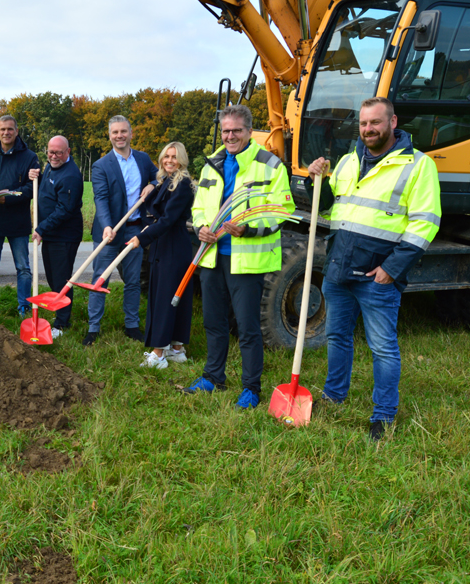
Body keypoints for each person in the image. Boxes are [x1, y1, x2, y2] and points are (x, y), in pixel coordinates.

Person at [306, 97, 441, 441]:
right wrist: (314, 179)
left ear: (393, 122)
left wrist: (391, 269)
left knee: (382, 347)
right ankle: (334, 395)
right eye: (364, 124)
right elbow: (327, 204)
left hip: (376, 276)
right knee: (337, 337)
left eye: (375, 123)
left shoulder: (418, 165)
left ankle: (383, 414)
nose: (368, 129)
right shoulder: (350, 161)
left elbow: (426, 223)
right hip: (339, 269)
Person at [188, 104, 295, 408]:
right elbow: (198, 207)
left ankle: (251, 388)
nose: (230, 136)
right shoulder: (212, 165)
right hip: (212, 256)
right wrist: (201, 227)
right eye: (225, 131)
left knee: (247, 328)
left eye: (236, 130)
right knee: (213, 322)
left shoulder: (271, 165)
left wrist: (248, 229)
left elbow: (281, 211)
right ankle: (212, 377)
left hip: (247, 259)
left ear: (249, 131)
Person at [83, 115, 157, 346]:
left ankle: (132, 325)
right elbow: (101, 198)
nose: (119, 136)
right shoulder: (101, 165)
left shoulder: (143, 160)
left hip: (134, 231)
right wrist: (106, 225)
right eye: (115, 132)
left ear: (131, 133)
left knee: (133, 281)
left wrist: (152, 184)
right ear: (110, 135)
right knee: (99, 280)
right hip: (109, 232)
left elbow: (159, 175)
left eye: (123, 131)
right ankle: (94, 327)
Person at [128, 141, 196, 369]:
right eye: (166, 156)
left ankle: (158, 355)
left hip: (174, 249)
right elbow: (154, 215)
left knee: (168, 299)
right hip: (163, 246)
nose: (169, 160)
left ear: (182, 160)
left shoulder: (183, 184)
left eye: (174, 157)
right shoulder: (164, 182)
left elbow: (167, 220)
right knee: (171, 297)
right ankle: (177, 349)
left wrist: (142, 238)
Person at [0, 115, 38, 317]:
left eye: (10, 129)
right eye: (2, 129)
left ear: (16, 131)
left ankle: (24, 306)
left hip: (17, 221)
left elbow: (31, 189)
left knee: (23, 267)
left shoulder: (29, 157)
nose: (6, 133)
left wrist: (9, 199)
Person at [30, 135, 83, 339]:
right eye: (51, 152)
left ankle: (62, 324)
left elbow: (64, 210)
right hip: (51, 233)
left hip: (64, 235)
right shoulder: (51, 166)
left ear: (68, 152)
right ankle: (60, 311)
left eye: (59, 152)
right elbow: (48, 188)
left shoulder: (70, 176)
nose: (54, 156)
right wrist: (37, 176)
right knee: (53, 276)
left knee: (62, 279)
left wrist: (42, 228)